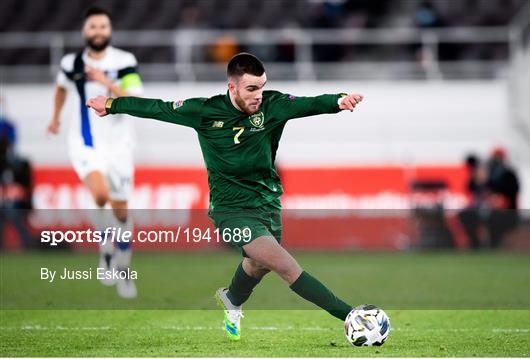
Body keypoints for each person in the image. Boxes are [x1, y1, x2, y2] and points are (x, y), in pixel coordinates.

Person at [87, 53, 362, 341]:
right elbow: (157, 108)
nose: (259, 95)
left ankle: (232, 299)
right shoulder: (205, 111)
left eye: (262, 87)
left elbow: (310, 103)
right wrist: (112, 104)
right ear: (232, 87)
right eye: (251, 89)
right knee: (284, 265)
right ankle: (350, 316)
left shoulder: (272, 106)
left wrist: (339, 100)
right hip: (229, 211)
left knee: (258, 265)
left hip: (267, 203)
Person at [46, 6, 143, 298]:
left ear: (109, 31)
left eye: (103, 26)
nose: (98, 31)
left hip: (120, 145)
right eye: (93, 27)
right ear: (84, 31)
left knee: (122, 212)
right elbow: (62, 88)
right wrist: (55, 117)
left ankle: (123, 265)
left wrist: (105, 82)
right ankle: (105, 249)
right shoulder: (71, 62)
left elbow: (135, 99)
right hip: (85, 141)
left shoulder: (124, 61)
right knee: (99, 194)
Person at [1, 113, 34, 249]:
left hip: (17, 207)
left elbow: (27, 189)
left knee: (17, 218)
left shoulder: (21, 164)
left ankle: (28, 249)